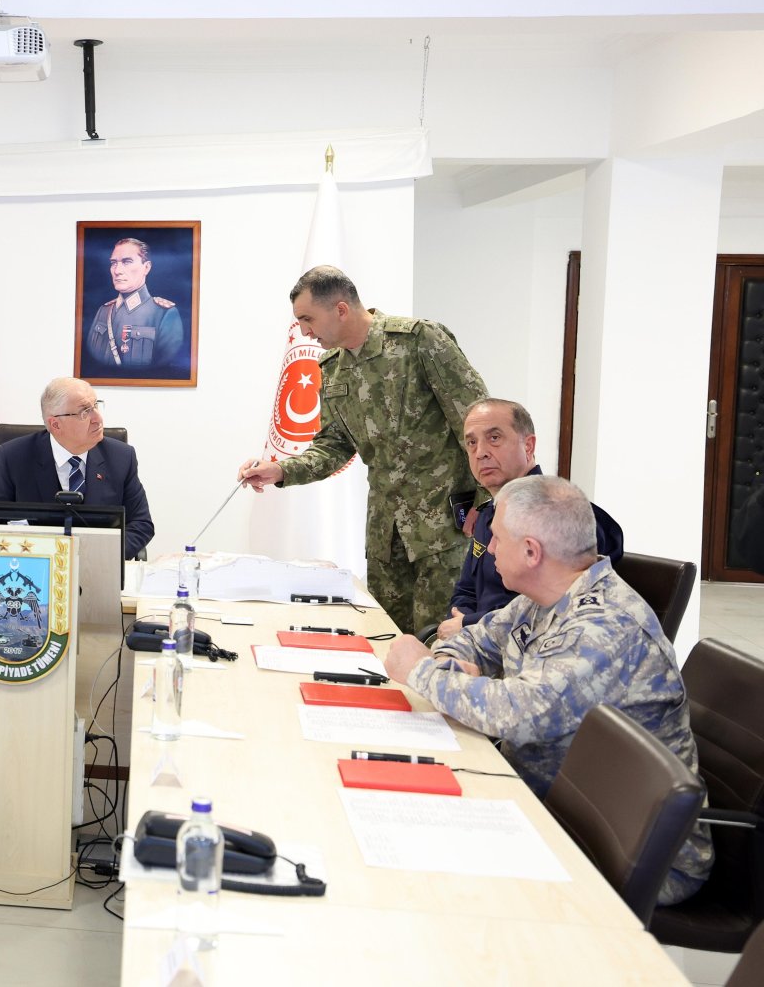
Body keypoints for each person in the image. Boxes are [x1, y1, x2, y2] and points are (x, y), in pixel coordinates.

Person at [384, 474, 712, 905]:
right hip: (553, 801)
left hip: (629, 847)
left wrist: (422, 672)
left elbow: (519, 713)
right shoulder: (543, 598)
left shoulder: (604, 627)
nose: (490, 549)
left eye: (497, 538)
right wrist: (448, 665)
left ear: (531, 552)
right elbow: (475, 641)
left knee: (414, 865)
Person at [238, 265, 487, 635]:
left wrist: (486, 503)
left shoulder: (419, 341)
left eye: (308, 319)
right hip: (387, 536)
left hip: (444, 529)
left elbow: (477, 422)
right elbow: (333, 446)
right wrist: (281, 470)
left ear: (340, 309)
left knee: (443, 643)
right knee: (389, 642)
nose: (304, 331)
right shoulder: (332, 368)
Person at [432, 398, 623, 639]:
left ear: (529, 446)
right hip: (479, 648)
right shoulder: (488, 514)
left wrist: (469, 625)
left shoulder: (566, 518)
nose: (480, 453)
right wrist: (462, 635)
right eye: (472, 442)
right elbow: (466, 590)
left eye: (494, 438)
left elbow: (552, 610)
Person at [0, 377, 155, 560]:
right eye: (85, 412)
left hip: (99, 567)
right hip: (35, 567)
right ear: (55, 424)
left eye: (96, 406)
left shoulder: (121, 457)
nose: (97, 418)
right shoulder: (13, 457)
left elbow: (141, 523)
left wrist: (99, 556)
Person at [84, 238, 184, 372]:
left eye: (127, 262)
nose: (117, 270)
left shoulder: (164, 313)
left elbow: (166, 368)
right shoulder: (104, 311)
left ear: (146, 267)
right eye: (114, 263)